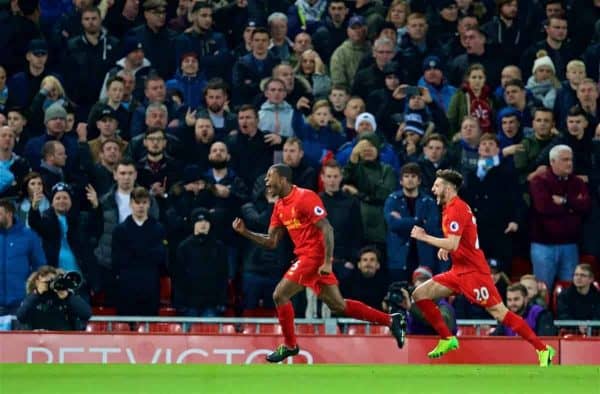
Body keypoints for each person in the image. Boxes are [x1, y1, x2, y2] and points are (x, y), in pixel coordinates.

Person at [232, 163, 406, 362]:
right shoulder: (279, 206)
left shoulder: (305, 197)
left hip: (314, 257)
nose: (266, 181)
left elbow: (327, 229)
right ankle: (391, 320)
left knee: (280, 295)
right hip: (306, 258)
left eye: (269, 177)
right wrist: (245, 233)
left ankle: (290, 345)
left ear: (282, 179)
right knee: (338, 306)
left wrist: (326, 262)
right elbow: (271, 241)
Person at [409, 169, 555, 366]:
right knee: (419, 294)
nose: (433, 189)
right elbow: (457, 242)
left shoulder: (455, 209)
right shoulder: (451, 207)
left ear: (449, 187)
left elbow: (452, 243)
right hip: (458, 270)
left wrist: (424, 237)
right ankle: (447, 338)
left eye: (437, 185)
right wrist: (448, 249)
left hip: (474, 273)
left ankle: (543, 349)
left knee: (500, 314)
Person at [0, 199, 46, 316]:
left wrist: (32, 292)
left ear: (9, 214)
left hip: (21, 303)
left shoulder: (28, 235)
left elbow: (40, 267)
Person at [16, 265, 92, 330]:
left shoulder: (65, 298)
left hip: (64, 342)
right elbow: (21, 317)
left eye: (52, 280)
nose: (50, 284)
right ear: (37, 282)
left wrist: (67, 296)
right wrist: (37, 294)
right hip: (38, 342)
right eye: (47, 282)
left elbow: (86, 314)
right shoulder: (33, 299)